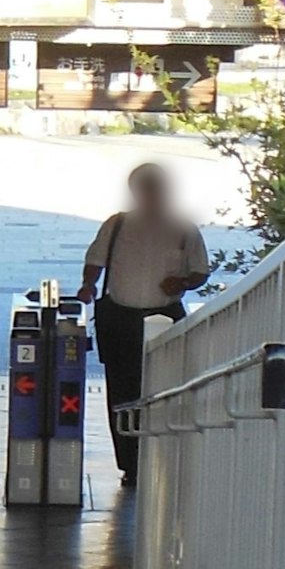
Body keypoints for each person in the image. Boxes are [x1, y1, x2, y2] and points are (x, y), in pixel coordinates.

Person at [75, 161, 213, 489]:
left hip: (164, 318)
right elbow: (95, 260)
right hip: (120, 318)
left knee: (164, 390)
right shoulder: (117, 225)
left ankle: (163, 455)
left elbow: (200, 272)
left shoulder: (184, 229)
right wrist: (88, 285)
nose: (150, 195)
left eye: (156, 189)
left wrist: (182, 281)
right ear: (135, 192)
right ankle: (130, 464)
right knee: (122, 393)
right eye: (144, 189)